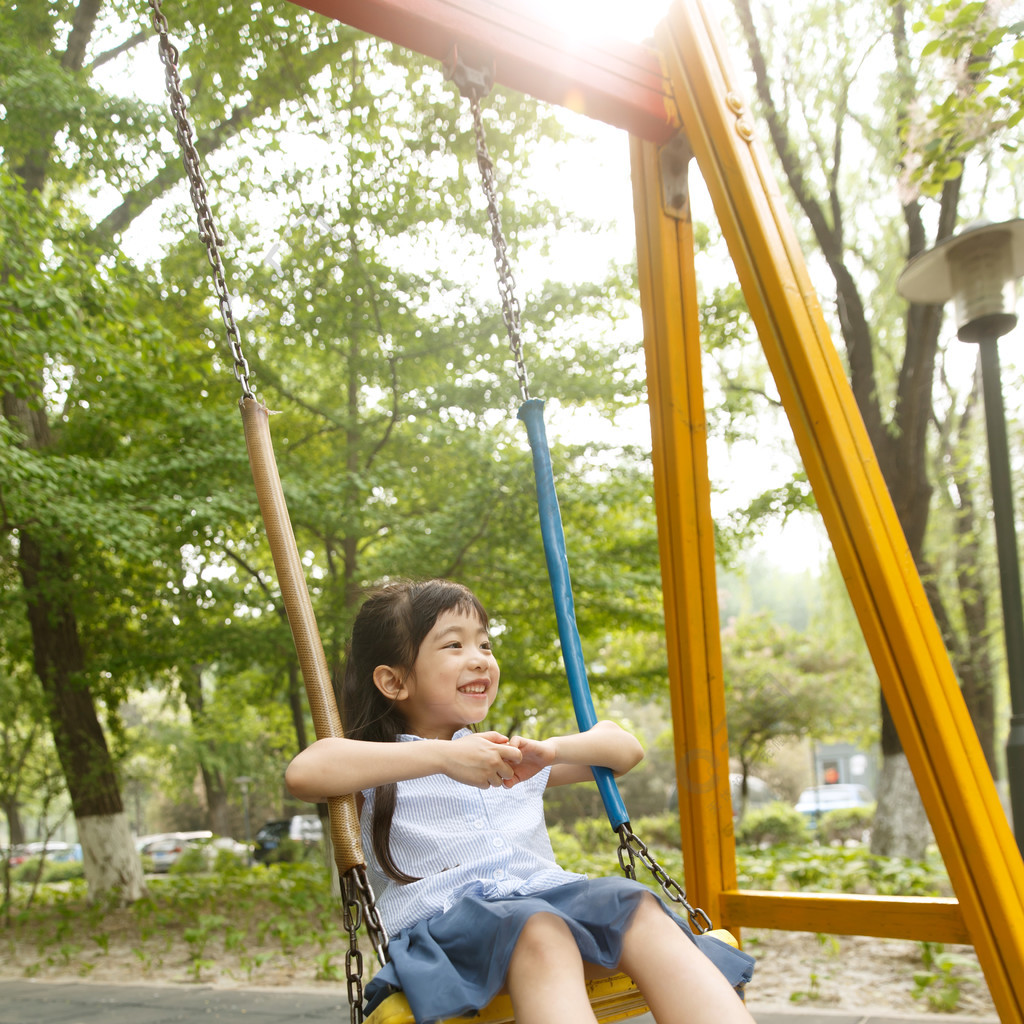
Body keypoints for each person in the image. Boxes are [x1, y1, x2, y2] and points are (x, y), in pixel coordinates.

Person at [286, 579, 755, 1024]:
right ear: (394, 682)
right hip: (452, 935)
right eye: (454, 645)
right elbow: (305, 773)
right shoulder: (382, 768)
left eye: (485, 645)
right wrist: (444, 757)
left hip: (548, 904)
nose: (479, 659)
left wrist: (553, 751)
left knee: (633, 903)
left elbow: (623, 748)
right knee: (538, 928)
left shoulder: (506, 757)